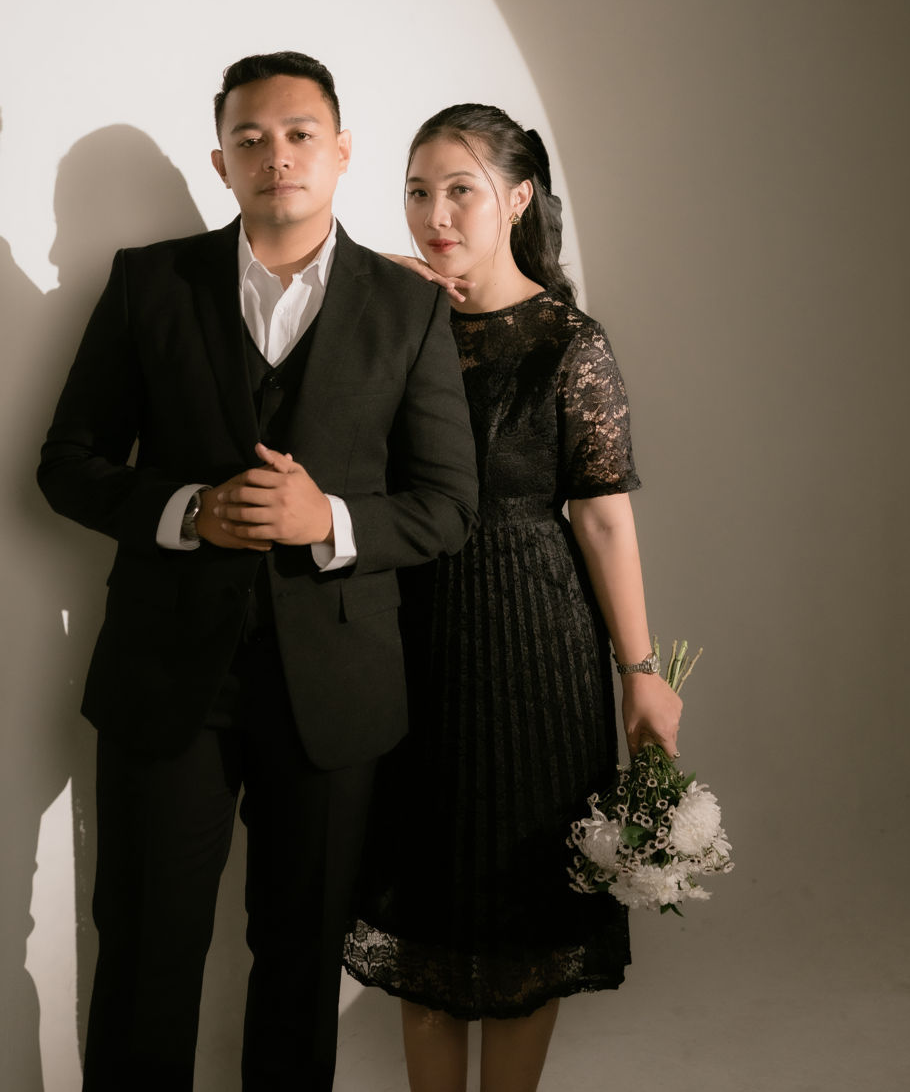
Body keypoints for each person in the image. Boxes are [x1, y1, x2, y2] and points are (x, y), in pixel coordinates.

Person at [37, 53, 479, 1092]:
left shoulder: (408, 306)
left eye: (298, 134)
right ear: (221, 161)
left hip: (337, 691)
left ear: (341, 151)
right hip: (166, 681)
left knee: (298, 964)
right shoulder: (149, 282)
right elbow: (68, 462)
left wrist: (327, 518)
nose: (276, 154)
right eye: (250, 138)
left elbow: (449, 503)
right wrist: (189, 511)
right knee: (144, 953)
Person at [345, 104, 682, 1092]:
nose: (435, 214)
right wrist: (376, 285)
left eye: (461, 189)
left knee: (525, 912)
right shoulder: (395, 321)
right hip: (409, 644)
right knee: (423, 908)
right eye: (418, 191)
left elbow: (603, 518)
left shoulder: (568, 341)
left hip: (535, 647)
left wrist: (640, 672)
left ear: (519, 197)